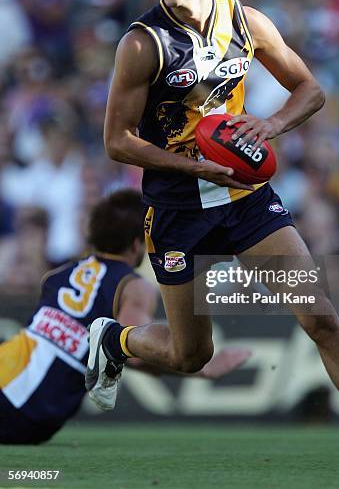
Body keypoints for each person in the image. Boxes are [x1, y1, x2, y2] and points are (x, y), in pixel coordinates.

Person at [88, 0, 339, 471]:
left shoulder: (246, 23)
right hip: (177, 208)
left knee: (320, 315)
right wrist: (194, 169)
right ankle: (115, 341)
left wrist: (269, 125)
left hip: (245, 197)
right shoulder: (142, 43)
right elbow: (116, 141)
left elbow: (310, 89)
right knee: (189, 354)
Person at [0, 188, 251, 445]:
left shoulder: (56, 276)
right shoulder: (133, 286)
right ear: (136, 243)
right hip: (28, 410)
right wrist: (202, 369)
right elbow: (137, 355)